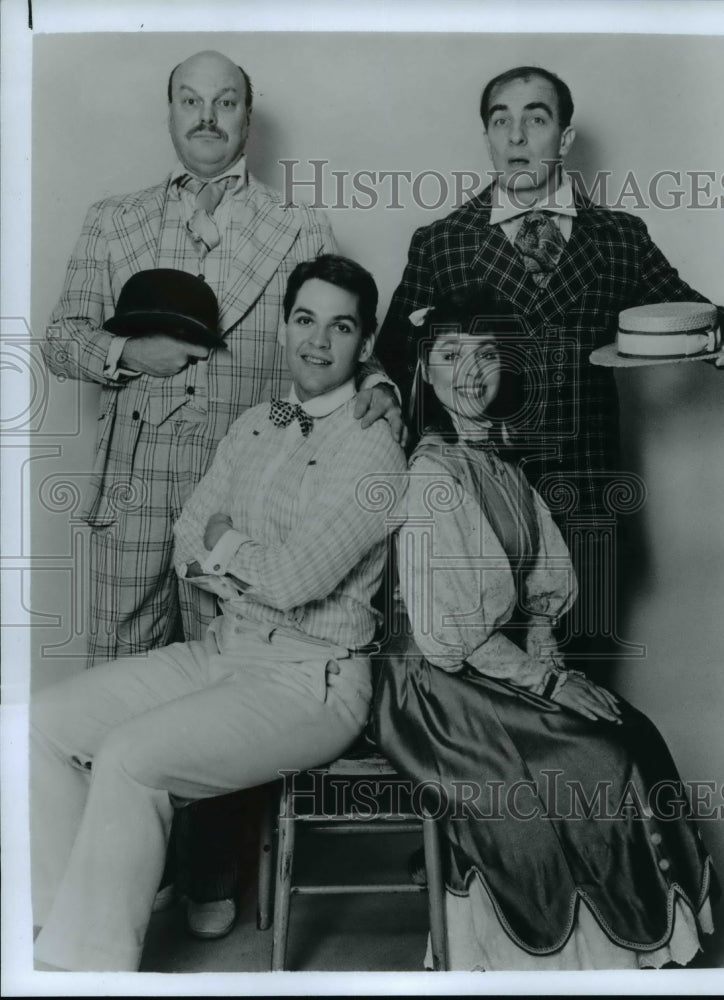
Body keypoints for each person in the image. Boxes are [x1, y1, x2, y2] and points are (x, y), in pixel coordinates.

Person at [40, 49, 400, 934]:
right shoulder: (114, 219)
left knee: (232, 698)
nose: (208, 117)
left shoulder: (295, 222)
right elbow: (61, 339)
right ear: (169, 113)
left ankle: (209, 879)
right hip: (138, 480)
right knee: (120, 688)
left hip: (256, 481)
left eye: (226, 102)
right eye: (191, 101)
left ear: (249, 115)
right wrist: (129, 355)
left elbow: (339, 328)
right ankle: (113, 889)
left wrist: (387, 391)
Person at [373, 290, 716, 971]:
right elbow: (449, 636)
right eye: (450, 355)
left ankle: (633, 945)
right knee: (592, 758)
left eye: (486, 354)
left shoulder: (502, 463)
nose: (470, 372)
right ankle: (544, 956)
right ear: (424, 373)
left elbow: (538, 594)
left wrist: (548, 657)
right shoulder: (429, 477)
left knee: (629, 729)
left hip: (486, 663)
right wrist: (548, 681)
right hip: (430, 684)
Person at [376, 65, 724, 649]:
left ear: (566, 138)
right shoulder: (442, 241)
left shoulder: (619, 238)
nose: (517, 137)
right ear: (489, 138)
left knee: (577, 697)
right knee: (483, 706)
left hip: (587, 511)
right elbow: (392, 360)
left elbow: (690, 319)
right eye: (501, 121)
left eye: (536, 117)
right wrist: (380, 393)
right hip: (475, 517)